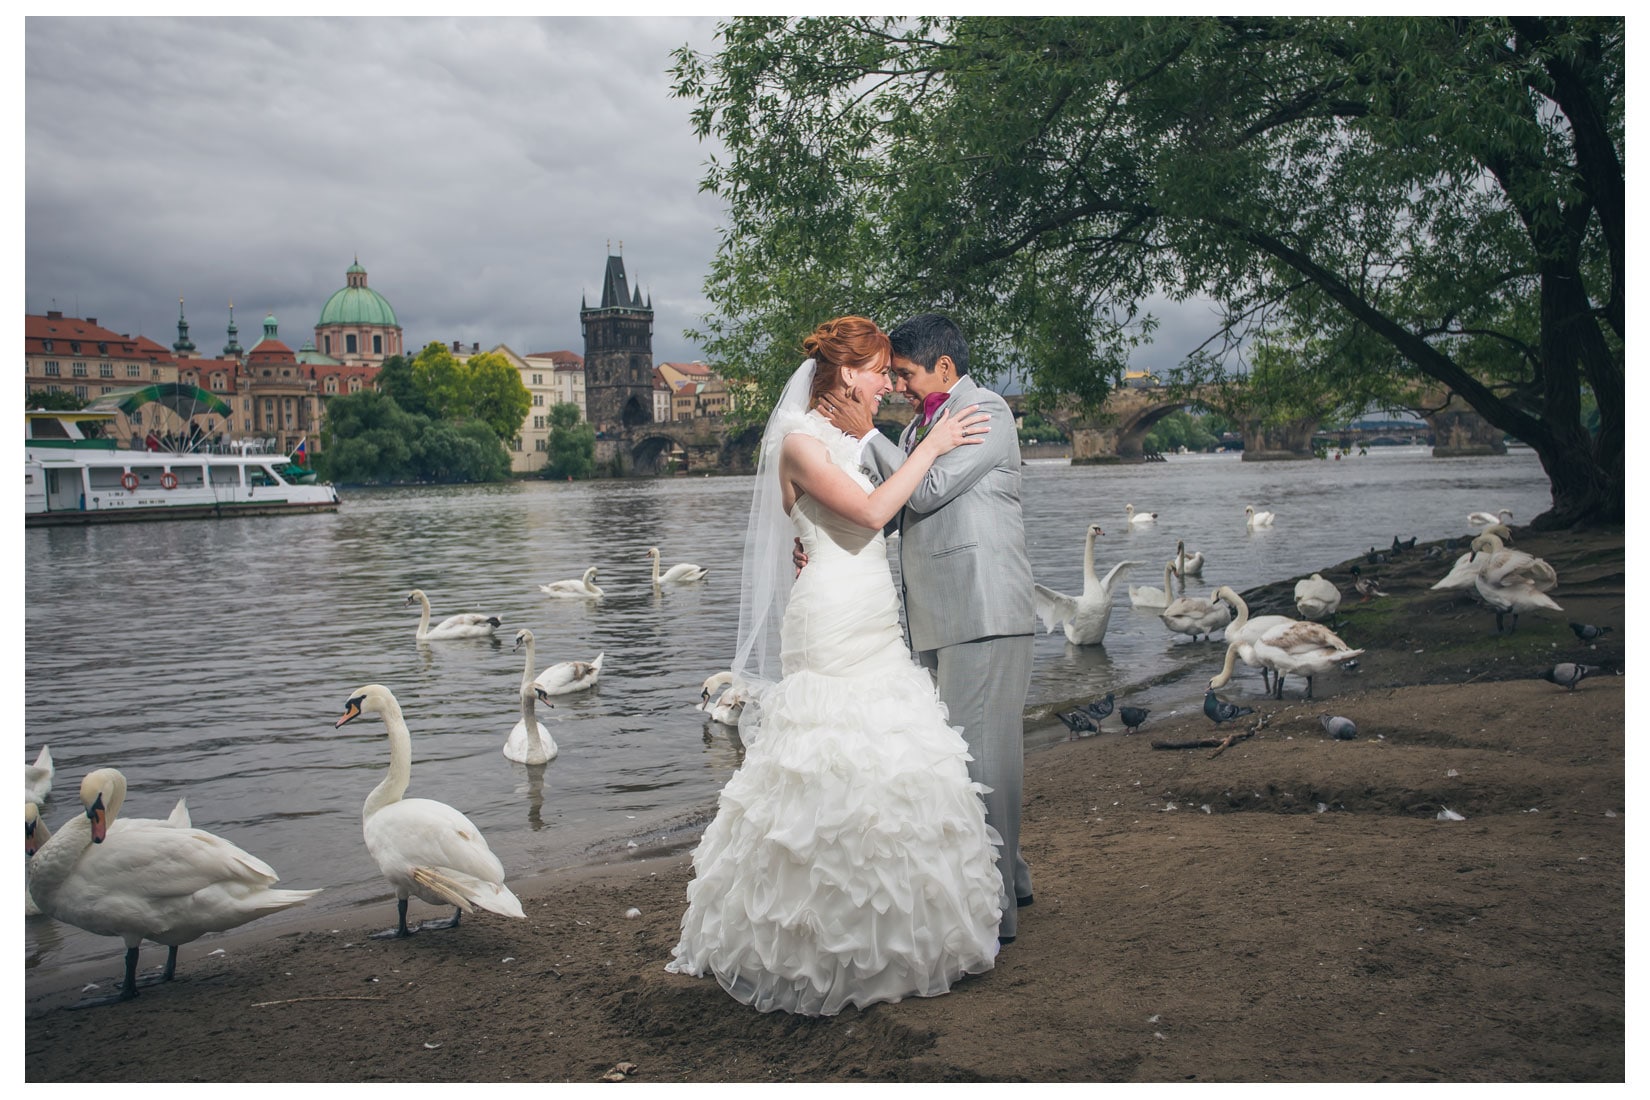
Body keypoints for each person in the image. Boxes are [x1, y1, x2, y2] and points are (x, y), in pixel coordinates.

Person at [666, 316, 1005, 1015]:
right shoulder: (798, 442)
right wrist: (935, 442)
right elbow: (874, 511)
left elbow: (854, 517)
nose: (889, 382)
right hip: (829, 621)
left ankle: (901, 935)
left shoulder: (848, 441)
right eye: (882, 370)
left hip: (873, 612)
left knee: (889, 761)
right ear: (848, 374)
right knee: (828, 760)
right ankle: (813, 942)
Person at [816, 312, 1036, 944]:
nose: (902, 387)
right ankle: (1011, 877)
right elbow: (891, 513)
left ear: (944, 367)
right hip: (940, 613)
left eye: (906, 374)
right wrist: (824, 542)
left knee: (984, 759)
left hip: (982, 609)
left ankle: (998, 909)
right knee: (962, 756)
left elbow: (929, 489)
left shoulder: (985, 410)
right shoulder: (924, 424)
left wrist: (866, 436)